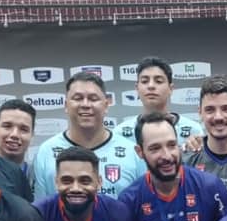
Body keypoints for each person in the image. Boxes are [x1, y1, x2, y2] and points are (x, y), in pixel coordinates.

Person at [31, 71, 144, 199]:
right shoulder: (46, 151)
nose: (85, 104)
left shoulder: (132, 152)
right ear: (66, 105)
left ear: (106, 105)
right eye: (78, 98)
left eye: (93, 99)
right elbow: (40, 211)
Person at [183, 75, 227, 207]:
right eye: (210, 110)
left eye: (226, 109)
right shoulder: (187, 160)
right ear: (200, 113)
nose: (218, 117)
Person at [117, 56, 204, 142]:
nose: (151, 86)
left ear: (171, 89)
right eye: (144, 81)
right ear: (137, 88)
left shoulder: (193, 131)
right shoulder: (121, 133)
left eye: (158, 81)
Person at [0, 99, 36, 183]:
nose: (14, 134)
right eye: (7, 126)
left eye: (23, 129)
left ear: (32, 135)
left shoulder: (38, 177)